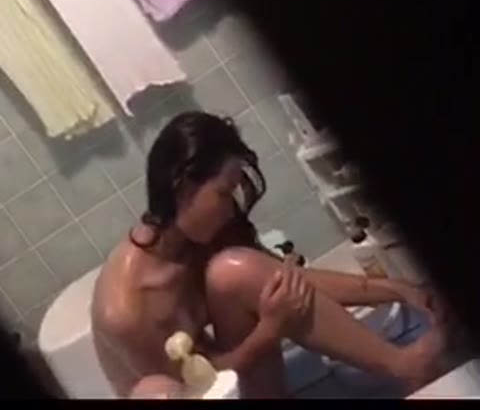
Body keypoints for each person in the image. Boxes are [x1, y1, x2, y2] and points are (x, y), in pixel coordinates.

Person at [91, 112, 445, 399]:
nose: (230, 209)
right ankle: (403, 365)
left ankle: (401, 364)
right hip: (186, 394)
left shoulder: (197, 240)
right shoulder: (126, 310)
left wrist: (396, 289)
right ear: (182, 187)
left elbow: (286, 283)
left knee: (235, 271)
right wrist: (271, 328)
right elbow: (195, 389)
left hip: (231, 381)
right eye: (223, 193)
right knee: (155, 390)